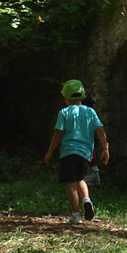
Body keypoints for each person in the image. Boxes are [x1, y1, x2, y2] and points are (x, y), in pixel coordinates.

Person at [44, 79, 109, 225]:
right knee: (80, 179)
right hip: (85, 154)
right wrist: (105, 148)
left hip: (68, 152)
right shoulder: (90, 111)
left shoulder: (64, 112)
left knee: (71, 184)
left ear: (66, 98)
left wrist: (49, 151)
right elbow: (100, 130)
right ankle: (86, 199)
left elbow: (58, 133)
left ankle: (75, 216)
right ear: (83, 96)